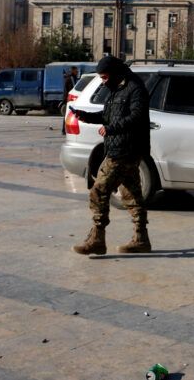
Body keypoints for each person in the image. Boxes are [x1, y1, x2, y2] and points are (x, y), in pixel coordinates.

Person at [69, 55, 153, 255]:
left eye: (105, 77)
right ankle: (141, 239)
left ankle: (97, 239)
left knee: (99, 190)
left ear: (115, 73)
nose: (103, 81)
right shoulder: (115, 90)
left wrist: (112, 128)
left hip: (125, 150)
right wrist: (86, 116)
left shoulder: (135, 89)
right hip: (118, 149)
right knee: (131, 194)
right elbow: (108, 116)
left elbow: (137, 116)